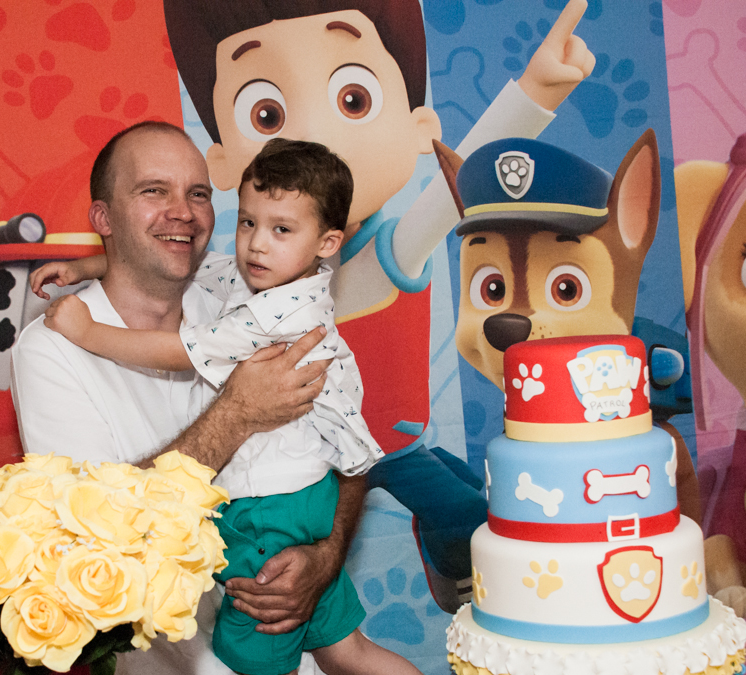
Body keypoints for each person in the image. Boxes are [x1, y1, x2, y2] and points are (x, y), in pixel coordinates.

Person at [38, 138, 524, 675]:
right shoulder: (262, 277)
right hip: (304, 500)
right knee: (348, 649)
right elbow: (204, 270)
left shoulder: (271, 311)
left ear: (326, 243)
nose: (255, 245)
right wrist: (86, 267)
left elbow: (183, 351)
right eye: (248, 224)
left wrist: (84, 330)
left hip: (263, 515)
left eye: (279, 230)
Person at [161, 0, 595, 611]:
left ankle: (450, 551)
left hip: (396, 432)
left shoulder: (374, 246)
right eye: (268, 113)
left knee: (480, 491)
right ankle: (470, 559)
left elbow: (458, 181)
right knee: (484, 519)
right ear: (225, 158)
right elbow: (169, 266)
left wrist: (537, 92)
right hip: (349, 445)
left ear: (419, 124)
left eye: (352, 99)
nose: (315, 139)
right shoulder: (255, 253)